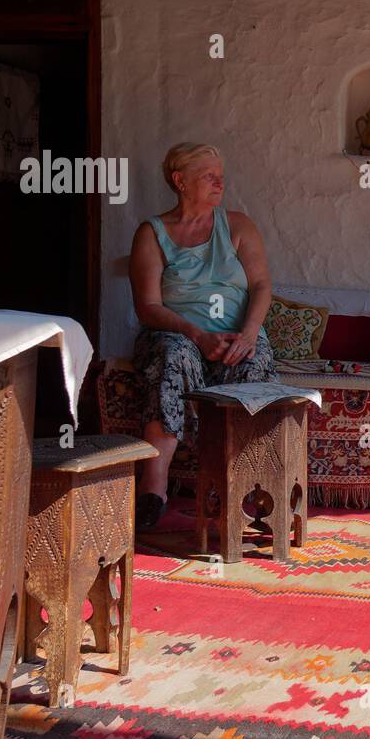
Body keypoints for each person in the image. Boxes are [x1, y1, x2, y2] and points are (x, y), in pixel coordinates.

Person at [128, 142, 276, 529]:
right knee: (173, 355)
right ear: (180, 181)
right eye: (209, 176)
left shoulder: (238, 226)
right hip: (177, 335)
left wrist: (249, 333)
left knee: (254, 358)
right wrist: (196, 334)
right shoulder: (152, 233)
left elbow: (261, 285)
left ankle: (246, 486)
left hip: (235, 335)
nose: (220, 182)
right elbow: (148, 307)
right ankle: (154, 486)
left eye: (221, 175)